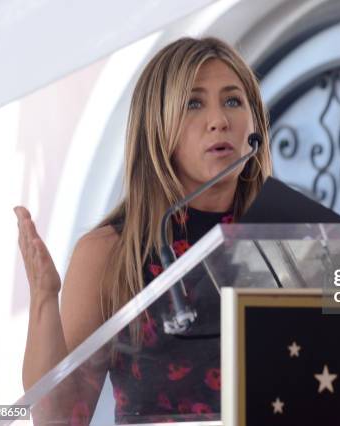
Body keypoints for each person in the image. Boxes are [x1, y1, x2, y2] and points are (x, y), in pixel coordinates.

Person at [14, 36, 272, 424]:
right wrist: (44, 300)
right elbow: (61, 418)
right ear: (157, 127)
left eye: (233, 100)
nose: (219, 119)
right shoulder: (110, 253)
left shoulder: (286, 236)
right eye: (193, 103)